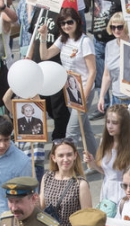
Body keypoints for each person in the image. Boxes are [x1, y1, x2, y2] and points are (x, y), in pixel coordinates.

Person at [39, 9, 97, 157]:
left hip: (84, 89)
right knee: (85, 129)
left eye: (70, 22)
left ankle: (69, 168)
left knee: (72, 132)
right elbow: (44, 55)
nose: (66, 26)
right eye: (63, 23)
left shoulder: (85, 42)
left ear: (78, 22)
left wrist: (84, 96)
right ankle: (96, 161)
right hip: (70, 89)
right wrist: (43, 37)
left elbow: (92, 72)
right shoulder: (62, 39)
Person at [85, 104, 130, 205]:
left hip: (125, 192)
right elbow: (106, 172)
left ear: (123, 125)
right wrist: (93, 163)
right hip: (107, 190)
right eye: (108, 122)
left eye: (115, 123)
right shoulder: (104, 142)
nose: (110, 126)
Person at [40, 140, 92, 226]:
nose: (65, 159)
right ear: (53, 158)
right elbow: (41, 207)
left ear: (75, 155)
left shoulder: (80, 184)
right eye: (61, 155)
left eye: (69, 155)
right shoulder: (47, 177)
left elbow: (87, 219)